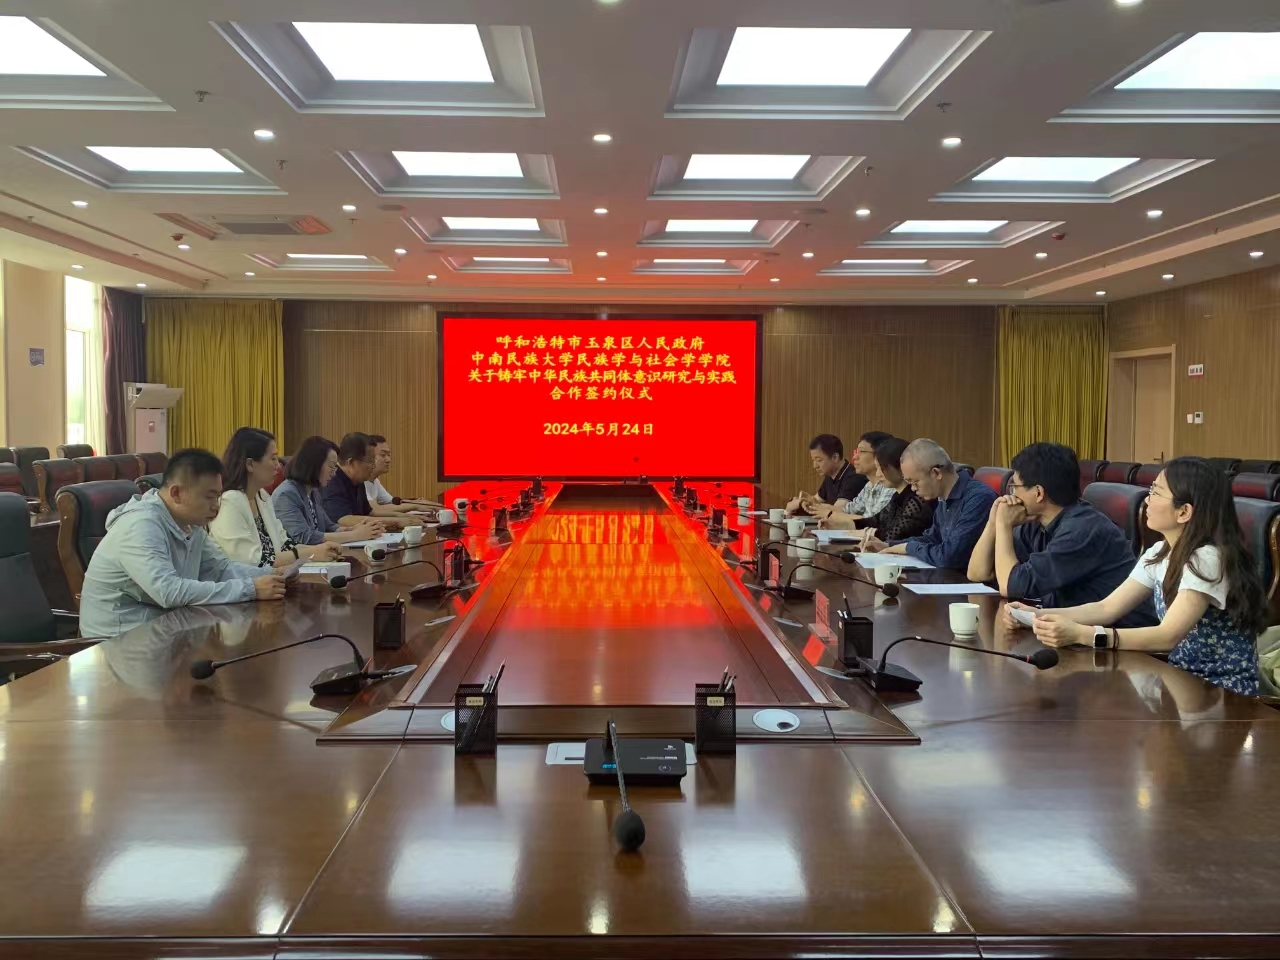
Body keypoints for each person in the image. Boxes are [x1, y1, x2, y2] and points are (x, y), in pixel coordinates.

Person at [1024, 457, 1267, 695]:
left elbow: (1167, 636)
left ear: (1183, 512)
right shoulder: (1161, 552)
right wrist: (1035, 615)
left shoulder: (1206, 559)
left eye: (1156, 492)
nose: (1146, 500)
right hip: (1181, 684)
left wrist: (1083, 634)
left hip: (1221, 693)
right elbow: (1106, 608)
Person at [78, 448, 285, 638]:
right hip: (117, 641)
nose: (216, 507)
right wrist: (250, 589)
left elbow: (220, 570)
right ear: (176, 493)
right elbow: (169, 591)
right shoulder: (141, 525)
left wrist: (274, 575)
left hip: (165, 629)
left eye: (217, 497)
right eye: (209, 497)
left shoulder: (190, 524)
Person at [970, 442, 1158, 628]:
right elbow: (977, 573)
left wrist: (1003, 525)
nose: (1011, 495)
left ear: (1038, 493)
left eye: (1015, 487)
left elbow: (1010, 586)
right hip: (1075, 627)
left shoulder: (1082, 529)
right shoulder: (1038, 521)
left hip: (1119, 635)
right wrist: (993, 523)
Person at [209, 427, 344, 568]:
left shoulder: (262, 496)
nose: (278, 466)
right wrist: (309, 553)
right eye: (273, 458)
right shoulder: (230, 501)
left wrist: (319, 550)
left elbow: (284, 544)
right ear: (250, 464)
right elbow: (251, 561)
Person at [862, 438, 996, 569]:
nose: (913, 489)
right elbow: (933, 538)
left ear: (936, 473)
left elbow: (949, 557)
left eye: (915, 482)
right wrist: (889, 546)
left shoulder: (979, 498)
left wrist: (908, 548)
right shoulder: (943, 497)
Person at [273, 436, 386, 546]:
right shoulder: (286, 494)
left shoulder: (313, 491)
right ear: (315, 465)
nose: (334, 473)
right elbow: (304, 537)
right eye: (331, 466)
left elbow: (329, 526)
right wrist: (354, 535)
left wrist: (353, 529)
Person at [819, 437, 934, 541]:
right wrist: (843, 525)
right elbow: (876, 521)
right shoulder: (898, 496)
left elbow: (892, 536)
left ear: (900, 468)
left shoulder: (918, 499)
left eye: (882, 468)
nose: (878, 474)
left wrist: (863, 533)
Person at [322, 432, 405, 531]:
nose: (374, 465)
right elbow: (344, 520)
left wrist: (402, 516)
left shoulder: (358, 480)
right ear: (351, 462)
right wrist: (396, 521)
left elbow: (369, 512)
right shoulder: (332, 481)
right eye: (370, 461)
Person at [806, 431, 894, 521]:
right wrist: (811, 505)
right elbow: (847, 510)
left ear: (880, 456)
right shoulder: (869, 486)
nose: (854, 457)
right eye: (856, 452)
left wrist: (829, 513)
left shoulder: (891, 487)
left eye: (861, 452)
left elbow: (873, 522)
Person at [785, 434, 866, 515]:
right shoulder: (830, 475)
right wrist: (802, 501)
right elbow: (816, 500)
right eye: (813, 460)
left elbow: (838, 511)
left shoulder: (854, 477)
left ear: (835, 458)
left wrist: (802, 503)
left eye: (819, 460)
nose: (815, 466)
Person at [365, 434, 434, 519]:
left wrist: (417, 503)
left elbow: (393, 503)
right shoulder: (361, 482)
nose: (388, 460)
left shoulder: (375, 481)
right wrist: (415, 506)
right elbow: (375, 509)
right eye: (383, 455)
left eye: (388, 455)